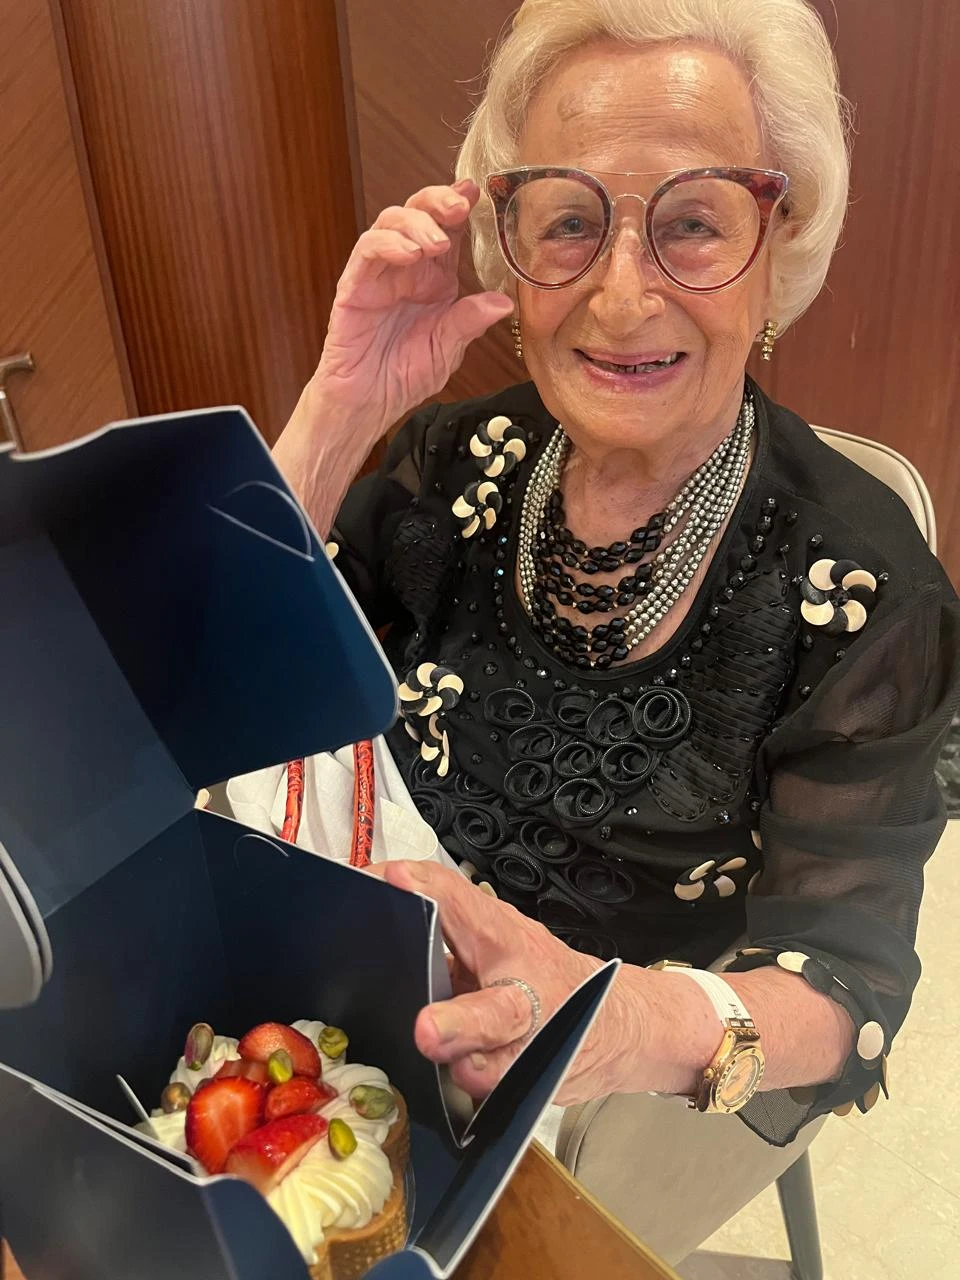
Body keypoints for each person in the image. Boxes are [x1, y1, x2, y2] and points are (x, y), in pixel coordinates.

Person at [263, 0, 960, 1257]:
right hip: (352, 989)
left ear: (777, 241)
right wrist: (338, 406)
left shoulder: (865, 591)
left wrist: (618, 1020)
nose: (623, 295)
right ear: (511, 246)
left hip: (605, 1090)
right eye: (570, 221)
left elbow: (844, 984)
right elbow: (246, 673)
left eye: (693, 221)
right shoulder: (454, 460)